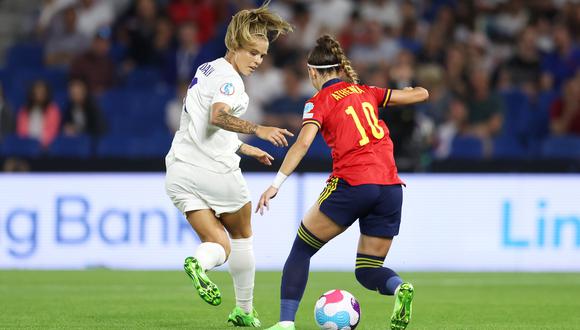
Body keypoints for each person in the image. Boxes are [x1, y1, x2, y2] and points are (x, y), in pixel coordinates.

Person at [256, 35, 429, 330]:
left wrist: (277, 183)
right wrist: (408, 87)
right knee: (367, 270)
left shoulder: (318, 102)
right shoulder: (367, 91)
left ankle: (285, 324)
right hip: (389, 187)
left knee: (302, 249)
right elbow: (421, 95)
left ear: (313, 72)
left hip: (353, 183)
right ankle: (400, 288)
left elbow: (302, 144)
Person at [164, 1, 293, 327]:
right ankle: (244, 310)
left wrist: (247, 150)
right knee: (242, 234)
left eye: (262, 55)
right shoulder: (231, 82)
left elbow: (204, 128)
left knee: (217, 244)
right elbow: (218, 116)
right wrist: (258, 130)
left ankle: (198, 262)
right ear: (234, 45)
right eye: (252, 53)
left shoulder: (206, 68)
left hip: (179, 171)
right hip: (214, 172)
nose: (257, 61)